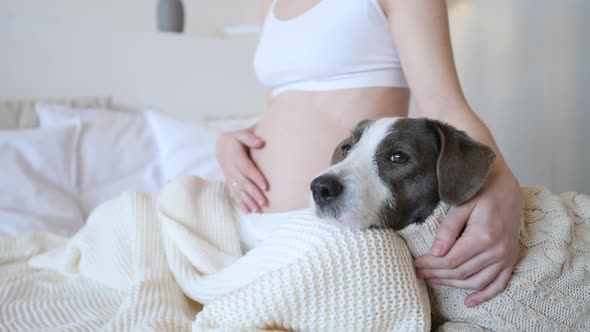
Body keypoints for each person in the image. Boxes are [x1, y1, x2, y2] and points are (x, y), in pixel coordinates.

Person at [215, 0, 522, 308]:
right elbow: (287, 106)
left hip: (335, 233)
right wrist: (234, 138)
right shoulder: (271, 3)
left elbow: (445, 107)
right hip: (244, 227)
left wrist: (500, 185)